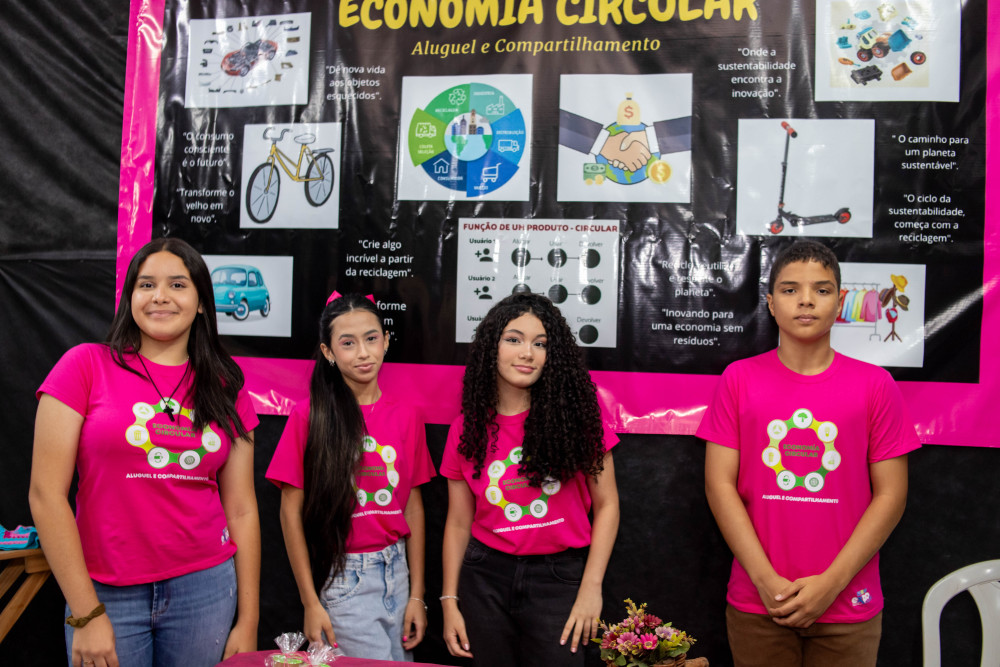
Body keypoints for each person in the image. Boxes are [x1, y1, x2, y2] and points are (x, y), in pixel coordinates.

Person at [29, 238, 261, 667]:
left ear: (202, 302)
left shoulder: (226, 387)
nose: (160, 296)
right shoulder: (85, 365)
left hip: (205, 590)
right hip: (103, 591)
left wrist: (249, 620)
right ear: (130, 297)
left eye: (178, 284)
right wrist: (86, 612)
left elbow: (242, 509)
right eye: (146, 284)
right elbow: (46, 496)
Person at [698, 240, 921, 667]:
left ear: (840, 302)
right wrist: (765, 580)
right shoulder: (739, 379)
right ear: (770, 303)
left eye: (821, 289)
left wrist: (831, 584)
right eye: (790, 289)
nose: (805, 300)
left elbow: (891, 495)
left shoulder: (875, 386)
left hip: (848, 603)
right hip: (760, 601)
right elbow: (719, 485)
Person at [440, 293, 620, 667]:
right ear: (491, 347)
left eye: (540, 344)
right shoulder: (466, 429)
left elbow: (608, 506)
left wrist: (591, 588)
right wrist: (449, 600)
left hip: (559, 580)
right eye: (514, 339)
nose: (528, 353)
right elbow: (458, 523)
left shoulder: (579, 421)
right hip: (484, 578)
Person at [266, 292, 435, 660]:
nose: (363, 353)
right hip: (346, 579)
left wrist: (417, 594)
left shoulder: (407, 416)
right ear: (328, 352)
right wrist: (310, 602)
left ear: (386, 341)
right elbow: (289, 513)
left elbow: (413, 508)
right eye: (348, 343)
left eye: (371, 338)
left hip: (398, 572)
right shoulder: (310, 417)